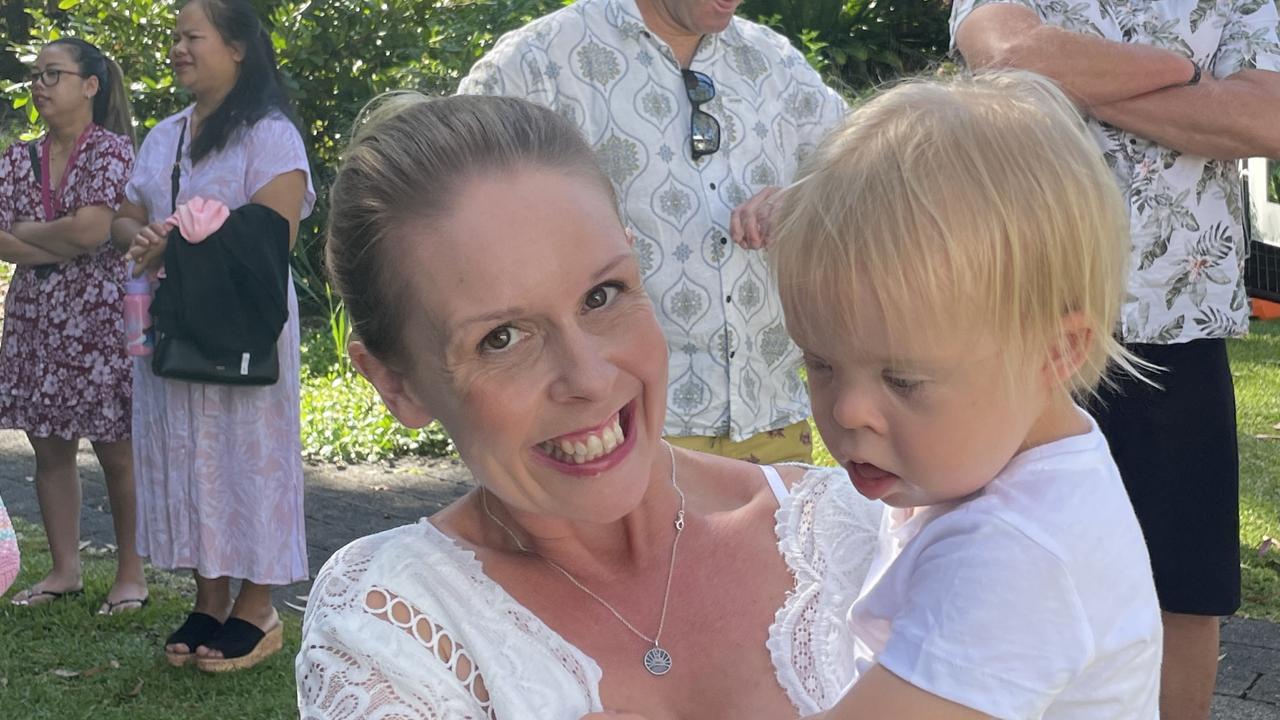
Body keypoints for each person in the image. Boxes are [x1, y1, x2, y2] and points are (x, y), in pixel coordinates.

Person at [588, 71, 1164, 720]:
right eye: (821, 362)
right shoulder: (1004, 464)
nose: (846, 410)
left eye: (903, 380)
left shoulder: (1018, 557)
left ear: (1055, 354)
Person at [296, 92, 884, 719]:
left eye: (603, 295)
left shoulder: (861, 534)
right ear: (396, 384)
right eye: (501, 339)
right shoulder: (392, 626)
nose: (590, 378)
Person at [950, 3, 1280, 717]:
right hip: (1019, 327)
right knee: (999, 569)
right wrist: (1187, 74)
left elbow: (1264, 120)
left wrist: (1078, 73)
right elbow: (1007, 56)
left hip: (1177, 329)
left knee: (1183, 588)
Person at [457, 0, 848, 465]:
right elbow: (458, 231)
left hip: (771, 421)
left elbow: (868, 175)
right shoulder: (535, 65)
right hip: (600, 429)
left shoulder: (775, 64)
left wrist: (808, 202)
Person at [110, 0, 312, 672]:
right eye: (175, 37)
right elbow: (127, 214)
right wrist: (139, 235)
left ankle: (257, 607)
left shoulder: (270, 134)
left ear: (238, 48)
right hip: (176, 322)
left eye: (191, 36)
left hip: (242, 326)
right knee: (187, 455)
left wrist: (176, 239)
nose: (177, 48)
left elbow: (272, 234)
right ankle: (209, 597)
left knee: (248, 456)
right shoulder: (164, 134)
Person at [0, 38, 146, 616]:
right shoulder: (16, 156)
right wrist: (55, 234)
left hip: (100, 320)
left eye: (52, 74)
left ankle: (130, 573)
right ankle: (65, 570)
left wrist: (33, 229)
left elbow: (92, 232)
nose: (39, 84)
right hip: (35, 320)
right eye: (36, 75)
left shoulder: (111, 151)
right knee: (49, 449)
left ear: (90, 85)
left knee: (117, 451)